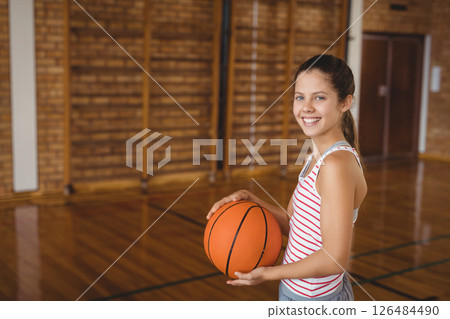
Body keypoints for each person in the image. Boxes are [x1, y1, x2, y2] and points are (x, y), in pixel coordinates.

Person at [206, 54, 367, 301]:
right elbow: (296, 225)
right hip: (294, 292)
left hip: (317, 301)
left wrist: (268, 274)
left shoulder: (337, 165)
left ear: (345, 103)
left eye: (320, 97)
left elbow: (334, 258)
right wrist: (252, 200)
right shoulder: (317, 156)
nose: (307, 107)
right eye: (300, 97)